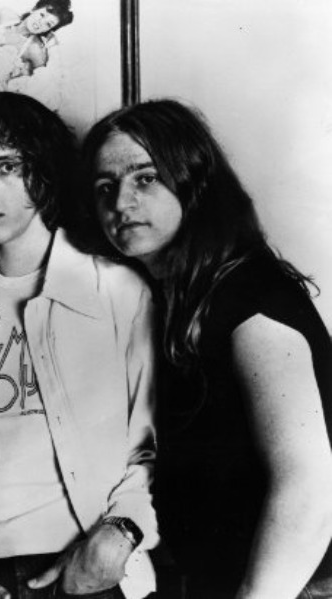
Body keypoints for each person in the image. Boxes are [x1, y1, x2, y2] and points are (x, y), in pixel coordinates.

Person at [84, 99, 332, 599]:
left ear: (192, 183)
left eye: (145, 178)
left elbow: (309, 487)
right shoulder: (169, 300)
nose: (121, 202)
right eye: (105, 187)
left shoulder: (249, 297)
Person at [0, 92, 158, 599]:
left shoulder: (117, 289)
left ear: (44, 173)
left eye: (7, 167)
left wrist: (121, 532)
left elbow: (152, 441)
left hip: (95, 567)